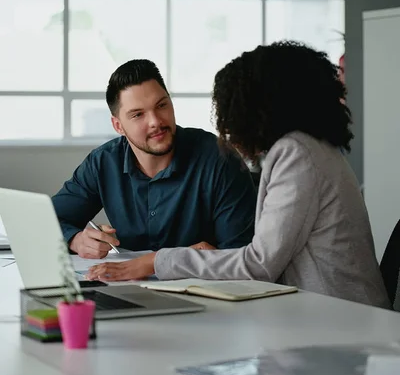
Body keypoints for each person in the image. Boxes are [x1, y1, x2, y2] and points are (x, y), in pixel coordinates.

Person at [87, 43, 390, 309]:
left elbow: (258, 265)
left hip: (341, 319)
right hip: (321, 312)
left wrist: (157, 260)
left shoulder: (297, 153)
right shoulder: (305, 146)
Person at [53, 59, 256, 259]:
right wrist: (76, 240)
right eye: (138, 115)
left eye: (161, 106)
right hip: (126, 288)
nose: (155, 122)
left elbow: (240, 257)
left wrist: (186, 260)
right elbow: (47, 220)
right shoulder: (103, 163)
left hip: (202, 287)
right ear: (118, 126)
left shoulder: (220, 159)